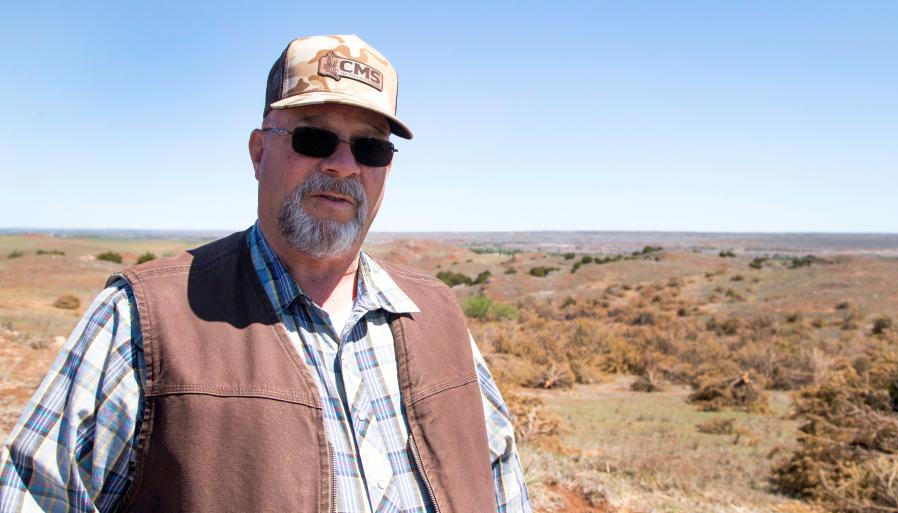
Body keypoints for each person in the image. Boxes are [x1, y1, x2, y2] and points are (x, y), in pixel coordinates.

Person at [0, 34, 530, 513]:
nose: (343, 166)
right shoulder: (142, 319)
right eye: (314, 139)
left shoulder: (438, 316)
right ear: (259, 151)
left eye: (369, 147)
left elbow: (503, 488)